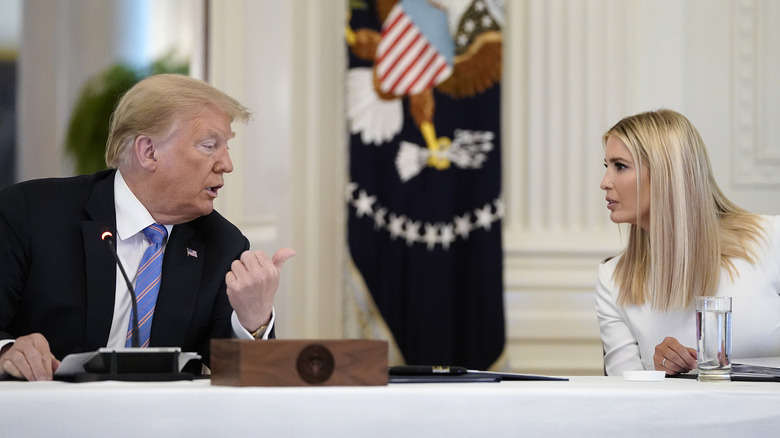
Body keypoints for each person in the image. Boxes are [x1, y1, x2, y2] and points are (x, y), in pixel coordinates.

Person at [0, 74, 295, 381]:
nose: (226, 164)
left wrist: (254, 321)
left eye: (226, 146)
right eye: (210, 145)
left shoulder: (223, 244)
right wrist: (7, 352)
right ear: (149, 152)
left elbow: (248, 380)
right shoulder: (30, 214)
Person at [596, 109, 780, 376]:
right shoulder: (613, 279)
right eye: (607, 166)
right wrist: (659, 372)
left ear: (666, 173)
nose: (604, 182)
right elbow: (626, 397)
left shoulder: (770, 238)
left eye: (620, 166)